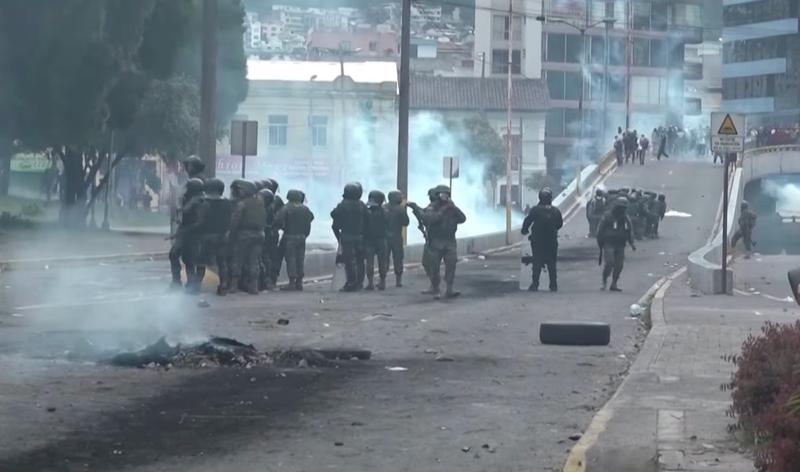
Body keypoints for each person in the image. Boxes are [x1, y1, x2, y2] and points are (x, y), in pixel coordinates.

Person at [422, 185, 466, 298]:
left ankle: (449, 288)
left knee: (451, 265)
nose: (444, 197)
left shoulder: (451, 207)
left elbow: (462, 219)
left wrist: (454, 208)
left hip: (449, 241)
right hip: (436, 242)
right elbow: (429, 219)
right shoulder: (432, 207)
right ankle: (435, 288)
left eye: (446, 194)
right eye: (442, 194)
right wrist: (442, 210)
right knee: (434, 267)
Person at [521, 188, 564, 292]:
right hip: (552, 241)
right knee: (552, 263)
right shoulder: (555, 211)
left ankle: (535, 284)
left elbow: (527, 221)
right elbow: (559, 224)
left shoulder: (536, 209)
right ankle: (553, 285)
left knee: (537, 262)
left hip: (538, 241)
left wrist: (525, 230)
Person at [228, 180, 266, 295]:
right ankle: (253, 287)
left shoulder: (242, 204)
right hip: (259, 235)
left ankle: (233, 286)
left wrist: (231, 235)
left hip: (244, 235)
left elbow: (235, 222)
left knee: (238, 260)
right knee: (254, 261)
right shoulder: (260, 202)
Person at [169, 178, 206, 291]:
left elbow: (200, 221)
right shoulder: (188, 198)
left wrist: (184, 231)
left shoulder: (201, 201)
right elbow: (182, 216)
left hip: (195, 234)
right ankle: (177, 282)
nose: (185, 189)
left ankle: (194, 284)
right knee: (176, 255)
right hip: (185, 232)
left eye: (188, 187)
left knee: (193, 259)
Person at [197, 178, 231, 296]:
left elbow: (200, 222)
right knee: (222, 263)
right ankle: (223, 286)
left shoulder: (203, 203)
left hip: (206, 236)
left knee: (201, 263)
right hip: (222, 237)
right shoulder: (227, 203)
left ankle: (195, 286)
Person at [274, 189, 314, 291]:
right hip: (302, 237)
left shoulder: (286, 208)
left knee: (291, 259)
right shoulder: (305, 208)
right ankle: (299, 282)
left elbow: (278, 220)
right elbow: (311, 217)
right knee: (300, 259)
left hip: (289, 237)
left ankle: (292, 282)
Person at [331, 183, 367, 292]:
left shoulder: (343, 204)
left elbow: (333, 214)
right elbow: (368, 218)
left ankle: (351, 283)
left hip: (347, 235)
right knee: (360, 260)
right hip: (360, 236)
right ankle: (359, 282)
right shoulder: (362, 205)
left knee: (349, 260)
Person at [597, 197, 636, 292]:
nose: (623, 210)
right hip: (609, 243)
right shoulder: (607, 216)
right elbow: (600, 229)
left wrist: (631, 243)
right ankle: (604, 280)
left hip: (620, 244)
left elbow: (629, 230)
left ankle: (614, 283)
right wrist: (600, 242)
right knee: (610, 262)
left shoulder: (626, 218)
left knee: (619, 265)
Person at [408, 188, 438, 293]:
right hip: (433, 239)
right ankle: (435, 286)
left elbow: (425, 218)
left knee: (430, 263)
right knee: (428, 263)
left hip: (435, 240)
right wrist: (415, 207)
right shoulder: (435, 207)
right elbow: (424, 213)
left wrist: (416, 208)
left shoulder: (438, 208)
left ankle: (436, 287)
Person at [363, 190, 389, 290]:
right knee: (382, 262)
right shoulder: (385, 213)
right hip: (382, 240)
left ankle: (370, 283)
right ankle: (382, 282)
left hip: (369, 241)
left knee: (369, 262)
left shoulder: (367, 212)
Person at [385, 190, 410, 287]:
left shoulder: (384, 208)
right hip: (396, 237)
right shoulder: (400, 209)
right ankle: (398, 281)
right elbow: (406, 223)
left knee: (384, 259)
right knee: (398, 259)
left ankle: (382, 280)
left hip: (385, 237)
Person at [263, 178, 284, 288]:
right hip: (272, 232)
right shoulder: (277, 201)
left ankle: (268, 279)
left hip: (268, 232)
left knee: (267, 256)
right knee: (271, 256)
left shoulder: (270, 201)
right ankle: (270, 279)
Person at [257, 185, 276, 291]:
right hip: (266, 235)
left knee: (262, 259)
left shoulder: (263, 209)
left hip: (263, 236)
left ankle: (264, 281)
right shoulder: (269, 208)